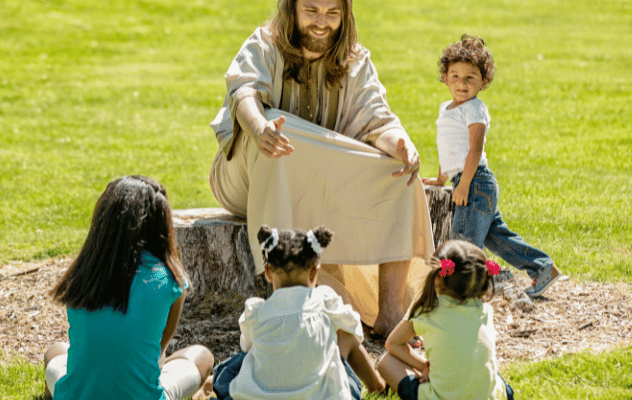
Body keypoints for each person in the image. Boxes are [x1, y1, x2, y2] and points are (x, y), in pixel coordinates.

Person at [208, 0, 435, 335]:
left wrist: (400, 144)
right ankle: (285, 308)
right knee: (277, 128)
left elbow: (376, 117)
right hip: (245, 177)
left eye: (332, 14)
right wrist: (259, 129)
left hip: (316, 182)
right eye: (311, 11)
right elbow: (243, 93)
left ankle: (391, 313)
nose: (321, 23)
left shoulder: (354, 59)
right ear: (292, 9)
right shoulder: (264, 43)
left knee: (397, 173)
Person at [42, 176, 214, 400]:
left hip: (77, 395)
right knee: (202, 356)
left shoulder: (83, 274)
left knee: (56, 350)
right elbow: (158, 354)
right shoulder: (171, 280)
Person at [421, 34, 561, 297]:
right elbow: (449, 149)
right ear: (445, 77)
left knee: (464, 242)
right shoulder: (446, 108)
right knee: (496, 238)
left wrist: (463, 185)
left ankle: (459, 290)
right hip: (469, 182)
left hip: (475, 182)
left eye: (470, 78)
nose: (461, 84)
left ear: (483, 82)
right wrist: (442, 179)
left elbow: (474, 150)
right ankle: (540, 268)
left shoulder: (474, 109)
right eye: (455, 76)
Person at [211, 225, 387, 400]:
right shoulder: (325, 302)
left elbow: (248, 346)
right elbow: (353, 326)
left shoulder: (257, 312)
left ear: (267, 272)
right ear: (314, 272)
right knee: (347, 335)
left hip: (260, 396)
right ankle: (377, 384)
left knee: (238, 363)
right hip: (324, 396)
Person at [376, 240, 515, 400]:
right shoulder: (485, 310)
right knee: (485, 370)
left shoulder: (427, 309)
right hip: (494, 397)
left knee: (385, 362)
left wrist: (424, 366)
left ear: (437, 276)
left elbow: (392, 344)